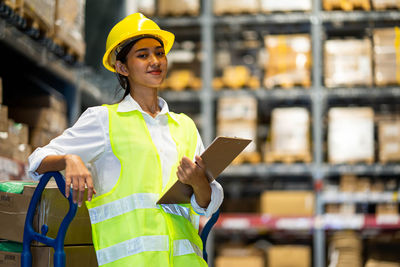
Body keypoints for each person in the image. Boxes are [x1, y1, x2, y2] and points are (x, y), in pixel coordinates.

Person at [28, 13, 223, 267]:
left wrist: (199, 183)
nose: (155, 61)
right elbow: (36, 161)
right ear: (122, 67)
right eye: (143, 55)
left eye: (159, 53)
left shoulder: (184, 126)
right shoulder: (103, 121)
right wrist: (69, 159)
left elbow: (206, 207)